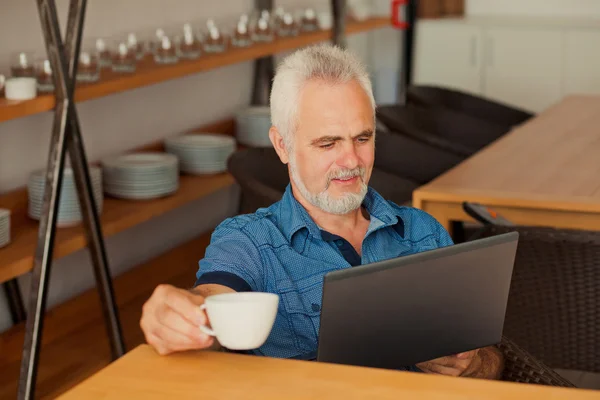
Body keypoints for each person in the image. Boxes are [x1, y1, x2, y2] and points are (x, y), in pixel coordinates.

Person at [140, 44, 504, 379]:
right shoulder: (250, 241)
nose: (351, 161)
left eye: (363, 138)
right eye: (328, 143)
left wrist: (467, 363)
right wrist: (182, 313)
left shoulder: (421, 231)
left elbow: (491, 360)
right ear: (282, 144)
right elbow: (213, 298)